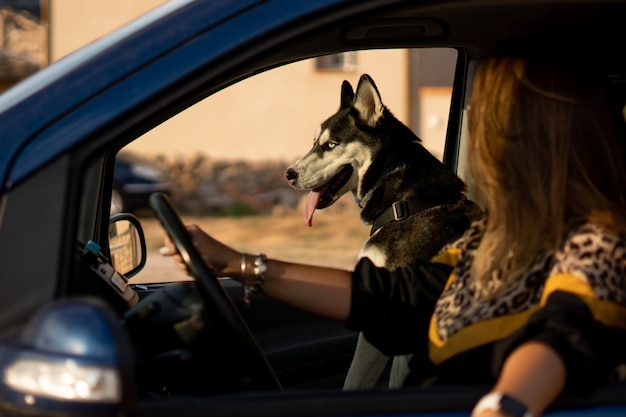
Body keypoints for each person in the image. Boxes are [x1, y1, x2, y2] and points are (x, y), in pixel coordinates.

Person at [161, 55, 626, 417]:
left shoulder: (597, 245)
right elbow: (392, 297)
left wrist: (505, 404)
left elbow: (565, 334)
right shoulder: (494, 236)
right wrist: (239, 264)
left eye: (489, 128)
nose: (482, 148)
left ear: (543, 147)